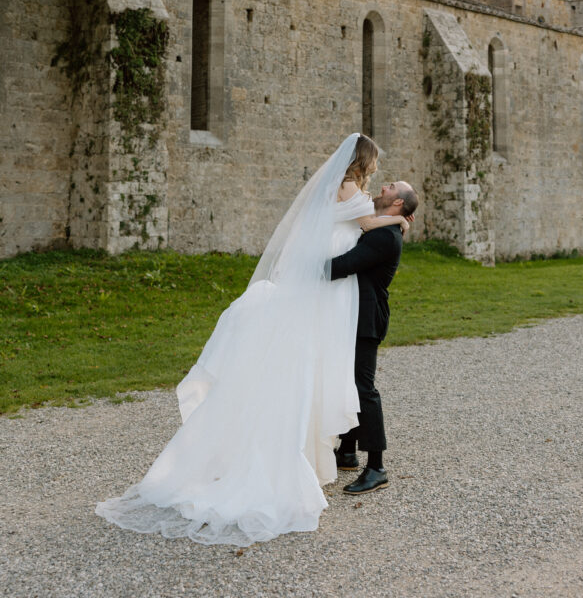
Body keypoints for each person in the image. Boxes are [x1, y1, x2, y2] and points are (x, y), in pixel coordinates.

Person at [95, 133, 408, 546]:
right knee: (325, 373)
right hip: (329, 297)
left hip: (342, 305)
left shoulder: (345, 191)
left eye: (392, 190)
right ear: (363, 162)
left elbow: (362, 229)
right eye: (376, 166)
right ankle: (340, 453)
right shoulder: (355, 195)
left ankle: (356, 456)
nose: (380, 177)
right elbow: (365, 224)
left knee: (342, 377)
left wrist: (389, 222)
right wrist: (398, 219)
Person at [329, 180, 418, 494]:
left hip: (365, 319)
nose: (384, 187)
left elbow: (342, 266)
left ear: (398, 204)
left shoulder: (384, 237)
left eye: (392, 187)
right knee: (347, 381)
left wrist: (308, 264)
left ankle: (377, 466)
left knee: (364, 388)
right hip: (352, 316)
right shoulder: (381, 228)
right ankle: (347, 450)